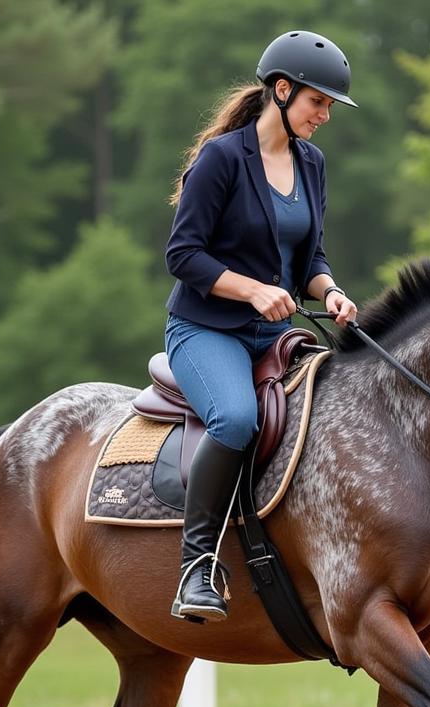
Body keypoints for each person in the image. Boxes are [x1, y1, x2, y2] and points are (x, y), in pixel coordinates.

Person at [164, 30, 359, 622]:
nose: (324, 115)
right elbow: (183, 255)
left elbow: (312, 260)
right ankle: (196, 566)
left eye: (328, 106)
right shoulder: (222, 159)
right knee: (237, 418)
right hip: (207, 330)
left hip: (274, 332)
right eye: (317, 102)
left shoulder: (313, 164)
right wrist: (251, 290)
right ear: (281, 90)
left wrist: (332, 293)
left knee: (352, 405)